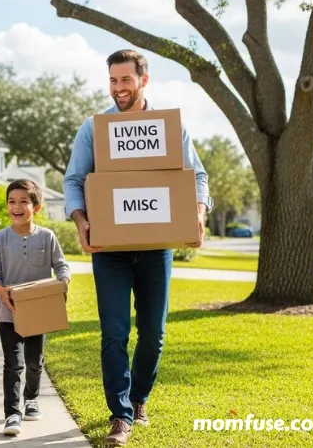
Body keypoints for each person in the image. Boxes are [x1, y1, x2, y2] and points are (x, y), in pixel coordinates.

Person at [63, 49, 213, 446]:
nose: (118, 89)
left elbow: (197, 175)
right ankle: (121, 415)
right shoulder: (94, 129)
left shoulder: (167, 127)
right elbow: (74, 181)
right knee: (114, 334)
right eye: (112, 81)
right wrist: (81, 221)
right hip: (110, 250)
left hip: (155, 246)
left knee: (153, 335)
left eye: (125, 80)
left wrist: (198, 213)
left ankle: (140, 397)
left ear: (143, 80)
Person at [0, 179, 71, 436]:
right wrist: (1, 292)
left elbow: (61, 265)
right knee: (13, 363)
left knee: (34, 361)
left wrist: (63, 283)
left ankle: (31, 397)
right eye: (12, 201)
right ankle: (12, 413)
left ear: (37, 207)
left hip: (39, 312)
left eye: (24, 201)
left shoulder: (47, 236)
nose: (17, 206)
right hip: (8, 312)